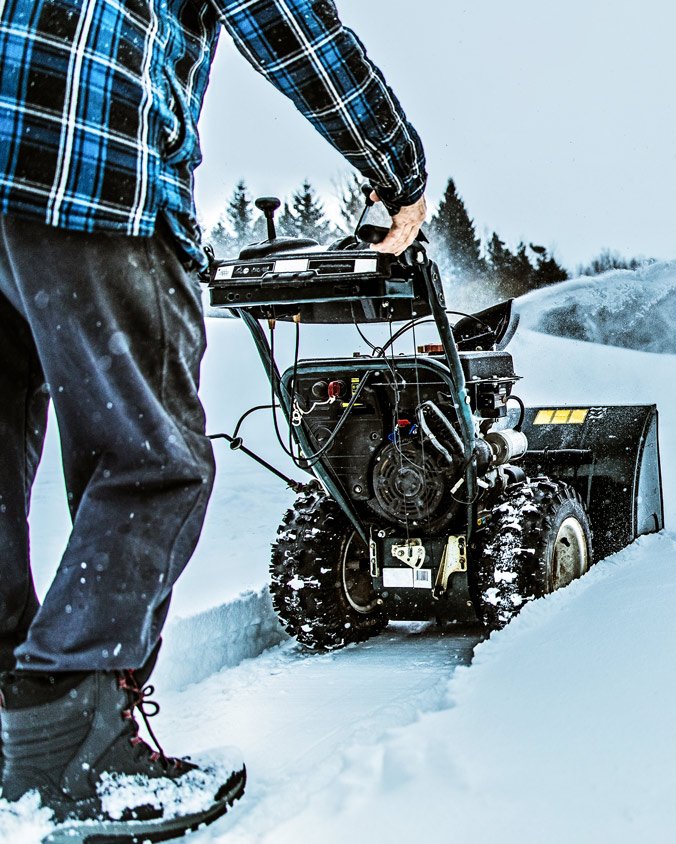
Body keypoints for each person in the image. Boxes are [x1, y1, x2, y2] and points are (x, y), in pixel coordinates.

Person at [0, 0, 427, 837]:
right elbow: (289, 23)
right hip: (80, 162)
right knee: (154, 459)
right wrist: (397, 168)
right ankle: (67, 744)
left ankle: (17, 720)